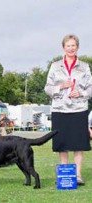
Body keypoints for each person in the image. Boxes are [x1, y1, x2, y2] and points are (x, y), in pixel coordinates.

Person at [44, 34, 92, 186]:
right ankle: (65, 175)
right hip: (60, 109)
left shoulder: (84, 66)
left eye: (73, 45)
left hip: (79, 109)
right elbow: (47, 88)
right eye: (68, 45)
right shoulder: (55, 65)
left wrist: (81, 93)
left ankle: (77, 175)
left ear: (77, 47)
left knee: (79, 144)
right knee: (62, 144)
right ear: (63, 47)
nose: (71, 48)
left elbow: (91, 88)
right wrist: (60, 86)